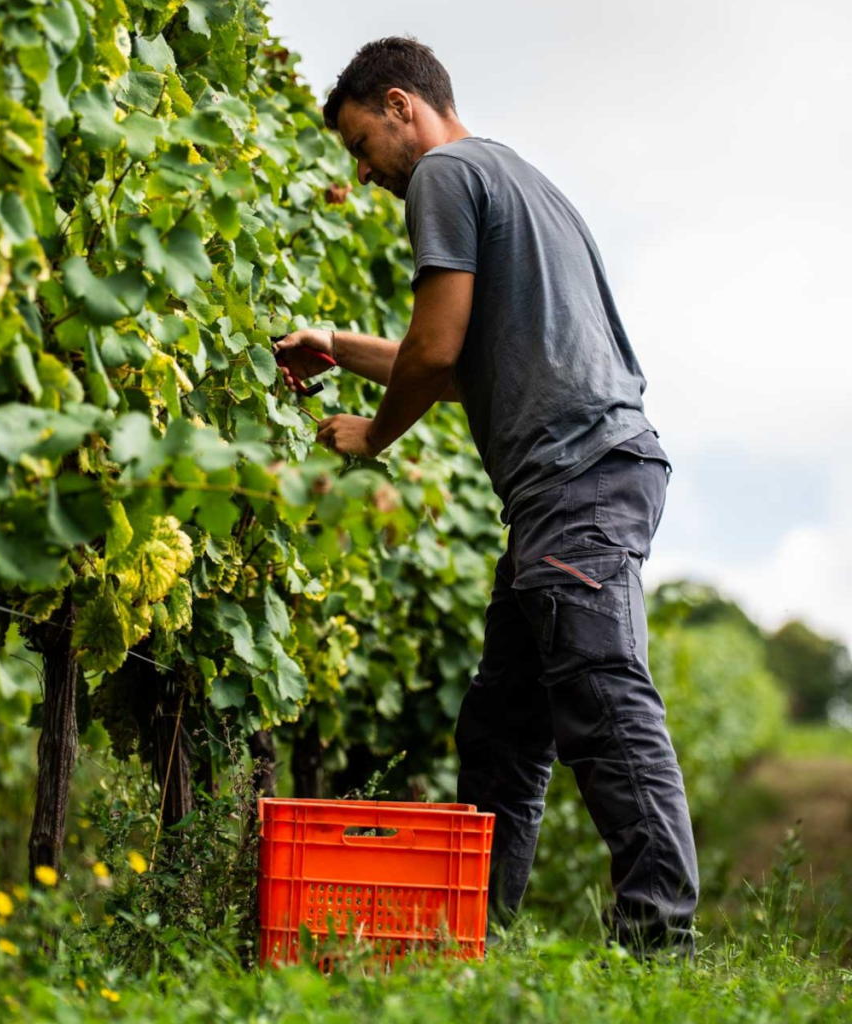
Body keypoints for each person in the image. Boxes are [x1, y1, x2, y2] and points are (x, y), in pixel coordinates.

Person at [272, 36, 699, 959]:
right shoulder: (515, 177)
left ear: (401, 106)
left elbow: (432, 355)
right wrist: (337, 344)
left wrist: (370, 435)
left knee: (602, 695)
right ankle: (476, 937)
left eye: (359, 145)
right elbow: (466, 368)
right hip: (579, 479)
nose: (362, 170)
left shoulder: (445, 174)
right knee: (503, 723)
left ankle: (662, 945)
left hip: (577, 478)